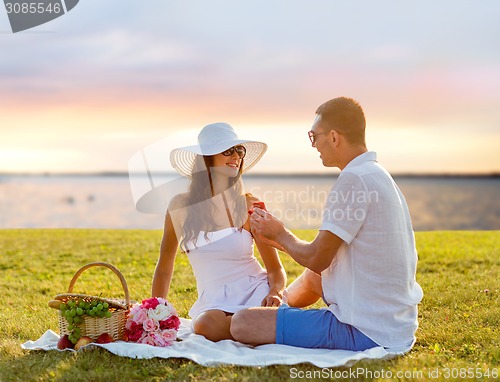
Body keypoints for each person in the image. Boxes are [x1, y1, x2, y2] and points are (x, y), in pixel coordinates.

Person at [230, 97, 424, 353]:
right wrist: (275, 238)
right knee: (315, 278)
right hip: (393, 324)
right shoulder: (376, 174)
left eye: (314, 136)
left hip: (365, 332)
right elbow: (321, 264)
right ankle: (280, 308)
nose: (314, 145)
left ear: (333, 137)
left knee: (242, 323)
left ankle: (273, 318)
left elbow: (317, 257)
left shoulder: (354, 179)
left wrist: (280, 233)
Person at [151, 122, 287, 342]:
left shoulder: (249, 205)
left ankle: (260, 326)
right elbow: (165, 267)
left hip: (256, 292)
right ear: (207, 158)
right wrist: (154, 312)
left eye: (239, 151)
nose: (236, 156)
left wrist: (275, 292)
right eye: (227, 151)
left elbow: (275, 269)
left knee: (248, 318)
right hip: (213, 304)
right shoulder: (180, 206)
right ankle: (264, 329)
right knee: (205, 325)